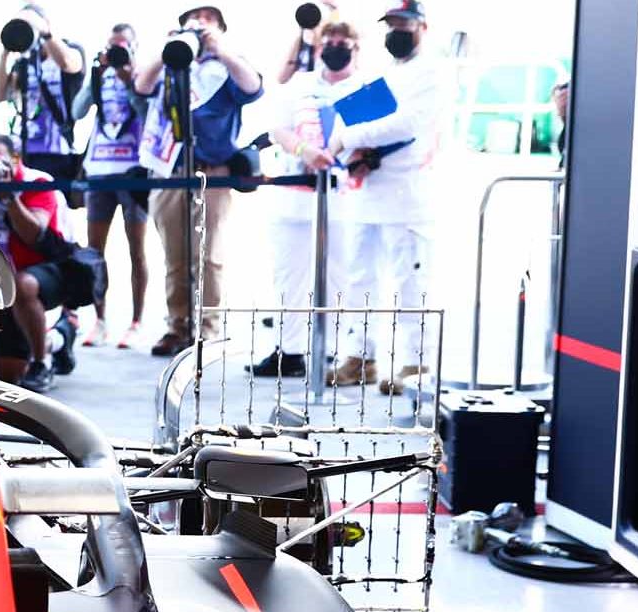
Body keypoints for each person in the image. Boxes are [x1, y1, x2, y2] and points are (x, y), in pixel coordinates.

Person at [325, 0, 447, 392]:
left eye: (403, 24)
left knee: (410, 279)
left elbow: (409, 122)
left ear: (421, 27)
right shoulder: (385, 71)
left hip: (408, 192)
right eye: (391, 24)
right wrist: (353, 151)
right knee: (359, 277)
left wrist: (353, 138)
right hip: (368, 188)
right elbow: (358, 116)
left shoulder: (432, 71)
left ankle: (416, 363)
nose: (396, 31)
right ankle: (360, 357)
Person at [135, 5, 264, 357]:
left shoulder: (227, 66)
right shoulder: (173, 65)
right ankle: (177, 325)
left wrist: (220, 49)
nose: (199, 24)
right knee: (174, 253)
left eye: (207, 19)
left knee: (208, 255)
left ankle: (207, 328)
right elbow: (141, 84)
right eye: (193, 19)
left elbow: (253, 87)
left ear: (221, 27)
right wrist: (167, 52)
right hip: (168, 167)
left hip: (213, 169)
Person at [248, 18, 361, 379]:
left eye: (343, 40)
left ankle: (331, 351)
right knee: (289, 276)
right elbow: (276, 128)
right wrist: (304, 149)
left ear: (356, 47)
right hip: (293, 195)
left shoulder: (366, 86)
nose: (336, 45)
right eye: (329, 39)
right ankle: (290, 351)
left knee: (338, 275)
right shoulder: (300, 84)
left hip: (343, 197)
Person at [0, 134, 105, 393]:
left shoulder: (38, 182)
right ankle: (59, 338)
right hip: (5, 278)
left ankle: (41, 362)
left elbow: (34, 234)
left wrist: (9, 198)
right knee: (8, 373)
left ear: (14, 158)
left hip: (54, 269)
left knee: (22, 284)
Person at [70, 23, 149, 349]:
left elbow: (148, 113)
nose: (116, 53)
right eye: (112, 47)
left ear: (133, 49)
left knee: (136, 250)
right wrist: (95, 73)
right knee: (95, 252)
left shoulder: (143, 76)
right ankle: (100, 321)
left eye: (123, 47)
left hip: (132, 171)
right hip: (99, 171)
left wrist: (131, 82)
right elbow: (76, 111)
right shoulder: (99, 75)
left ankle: (136, 321)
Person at [0, 4, 85, 198]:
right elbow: (0, 95)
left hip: (56, 152)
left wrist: (44, 32)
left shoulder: (70, 49)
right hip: (22, 149)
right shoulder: (23, 61)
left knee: (53, 213)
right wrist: (6, 51)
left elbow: (69, 64)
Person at [275, 0, 339, 84]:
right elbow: (282, 79)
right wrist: (300, 39)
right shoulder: (301, 47)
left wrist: (334, 9)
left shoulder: (335, 46)